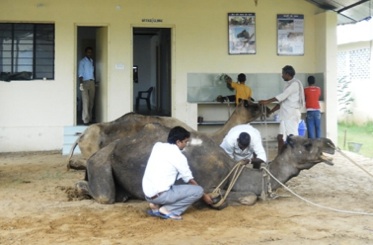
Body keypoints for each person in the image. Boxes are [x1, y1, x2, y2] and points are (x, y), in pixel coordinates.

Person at [142, 126, 213, 220]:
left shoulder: (158, 146)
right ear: (178, 142)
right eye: (185, 141)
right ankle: (167, 210)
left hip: (148, 195)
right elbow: (190, 181)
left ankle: (155, 206)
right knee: (198, 190)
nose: (186, 144)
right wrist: (204, 196)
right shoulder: (179, 157)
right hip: (161, 196)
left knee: (168, 184)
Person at [258, 65, 305, 154]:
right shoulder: (288, 85)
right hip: (285, 116)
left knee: (292, 138)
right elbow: (282, 102)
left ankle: (296, 157)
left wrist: (267, 101)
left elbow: (282, 96)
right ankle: (279, 157)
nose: (282, 75)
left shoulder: (294, 84)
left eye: (283, 73)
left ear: (287, 74)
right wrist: (271, 111)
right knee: (280, 137)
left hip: (291, 115)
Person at [78, 47, 96, 125]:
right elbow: (80, 73)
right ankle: (85, 119)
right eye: (88, 52)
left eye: (90, 52)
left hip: (92, 82)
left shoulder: (91, 61)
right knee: (86, 101)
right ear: (85, 53)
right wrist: (81, 83)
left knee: (91, 101)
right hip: (85, 82)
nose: (89, 53)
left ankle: (90, 118)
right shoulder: (82, 62)